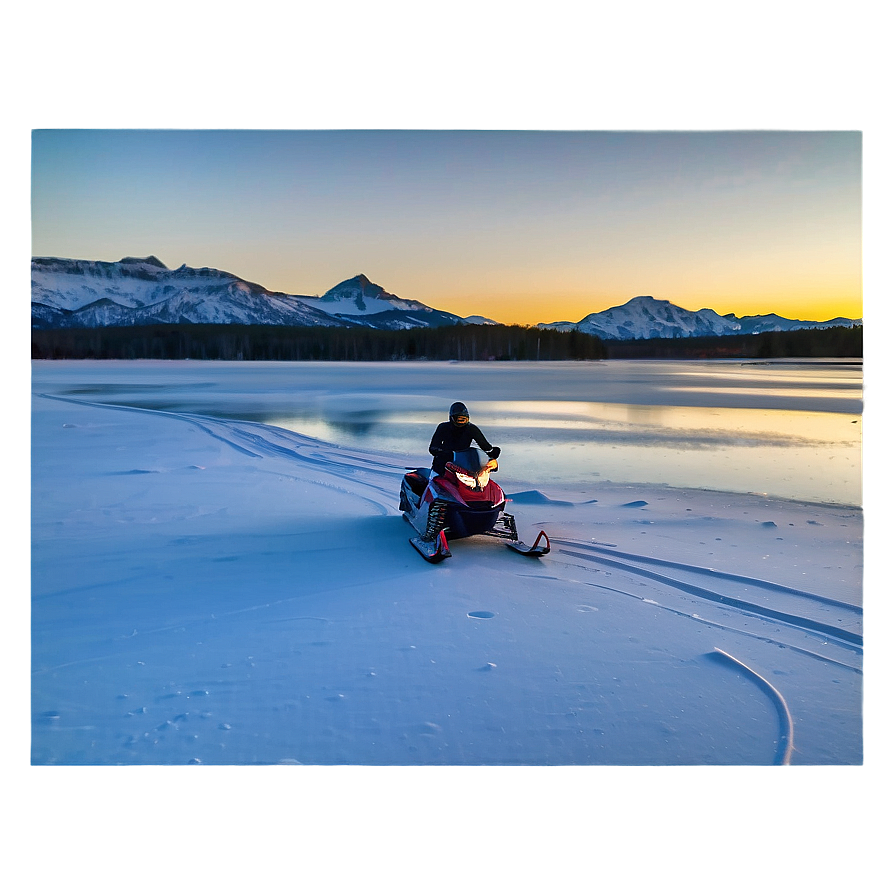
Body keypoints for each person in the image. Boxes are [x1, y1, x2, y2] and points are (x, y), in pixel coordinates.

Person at [428, 402, 500, 476]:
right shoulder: (443, 427)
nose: (461, 422)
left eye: (463, 419)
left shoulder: (471, 429)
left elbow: (484, 445)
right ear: (451, 418)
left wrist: (492, 453)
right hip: (443, 465)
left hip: (465, 465)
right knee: (435, 480)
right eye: (458, 419)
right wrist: (442, 452)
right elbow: (433, 447)